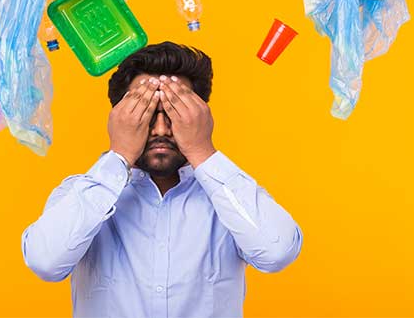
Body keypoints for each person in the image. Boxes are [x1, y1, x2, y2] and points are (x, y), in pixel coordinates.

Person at [22, 42, 302, 318]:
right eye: (143, 112)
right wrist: (118, 154)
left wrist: (202, 151)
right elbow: (45, 262)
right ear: (119, 116)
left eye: (174, 112)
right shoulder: (80, 194)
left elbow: (277, 252)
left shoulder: (230, 196)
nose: (159, 129)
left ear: (200, 115)